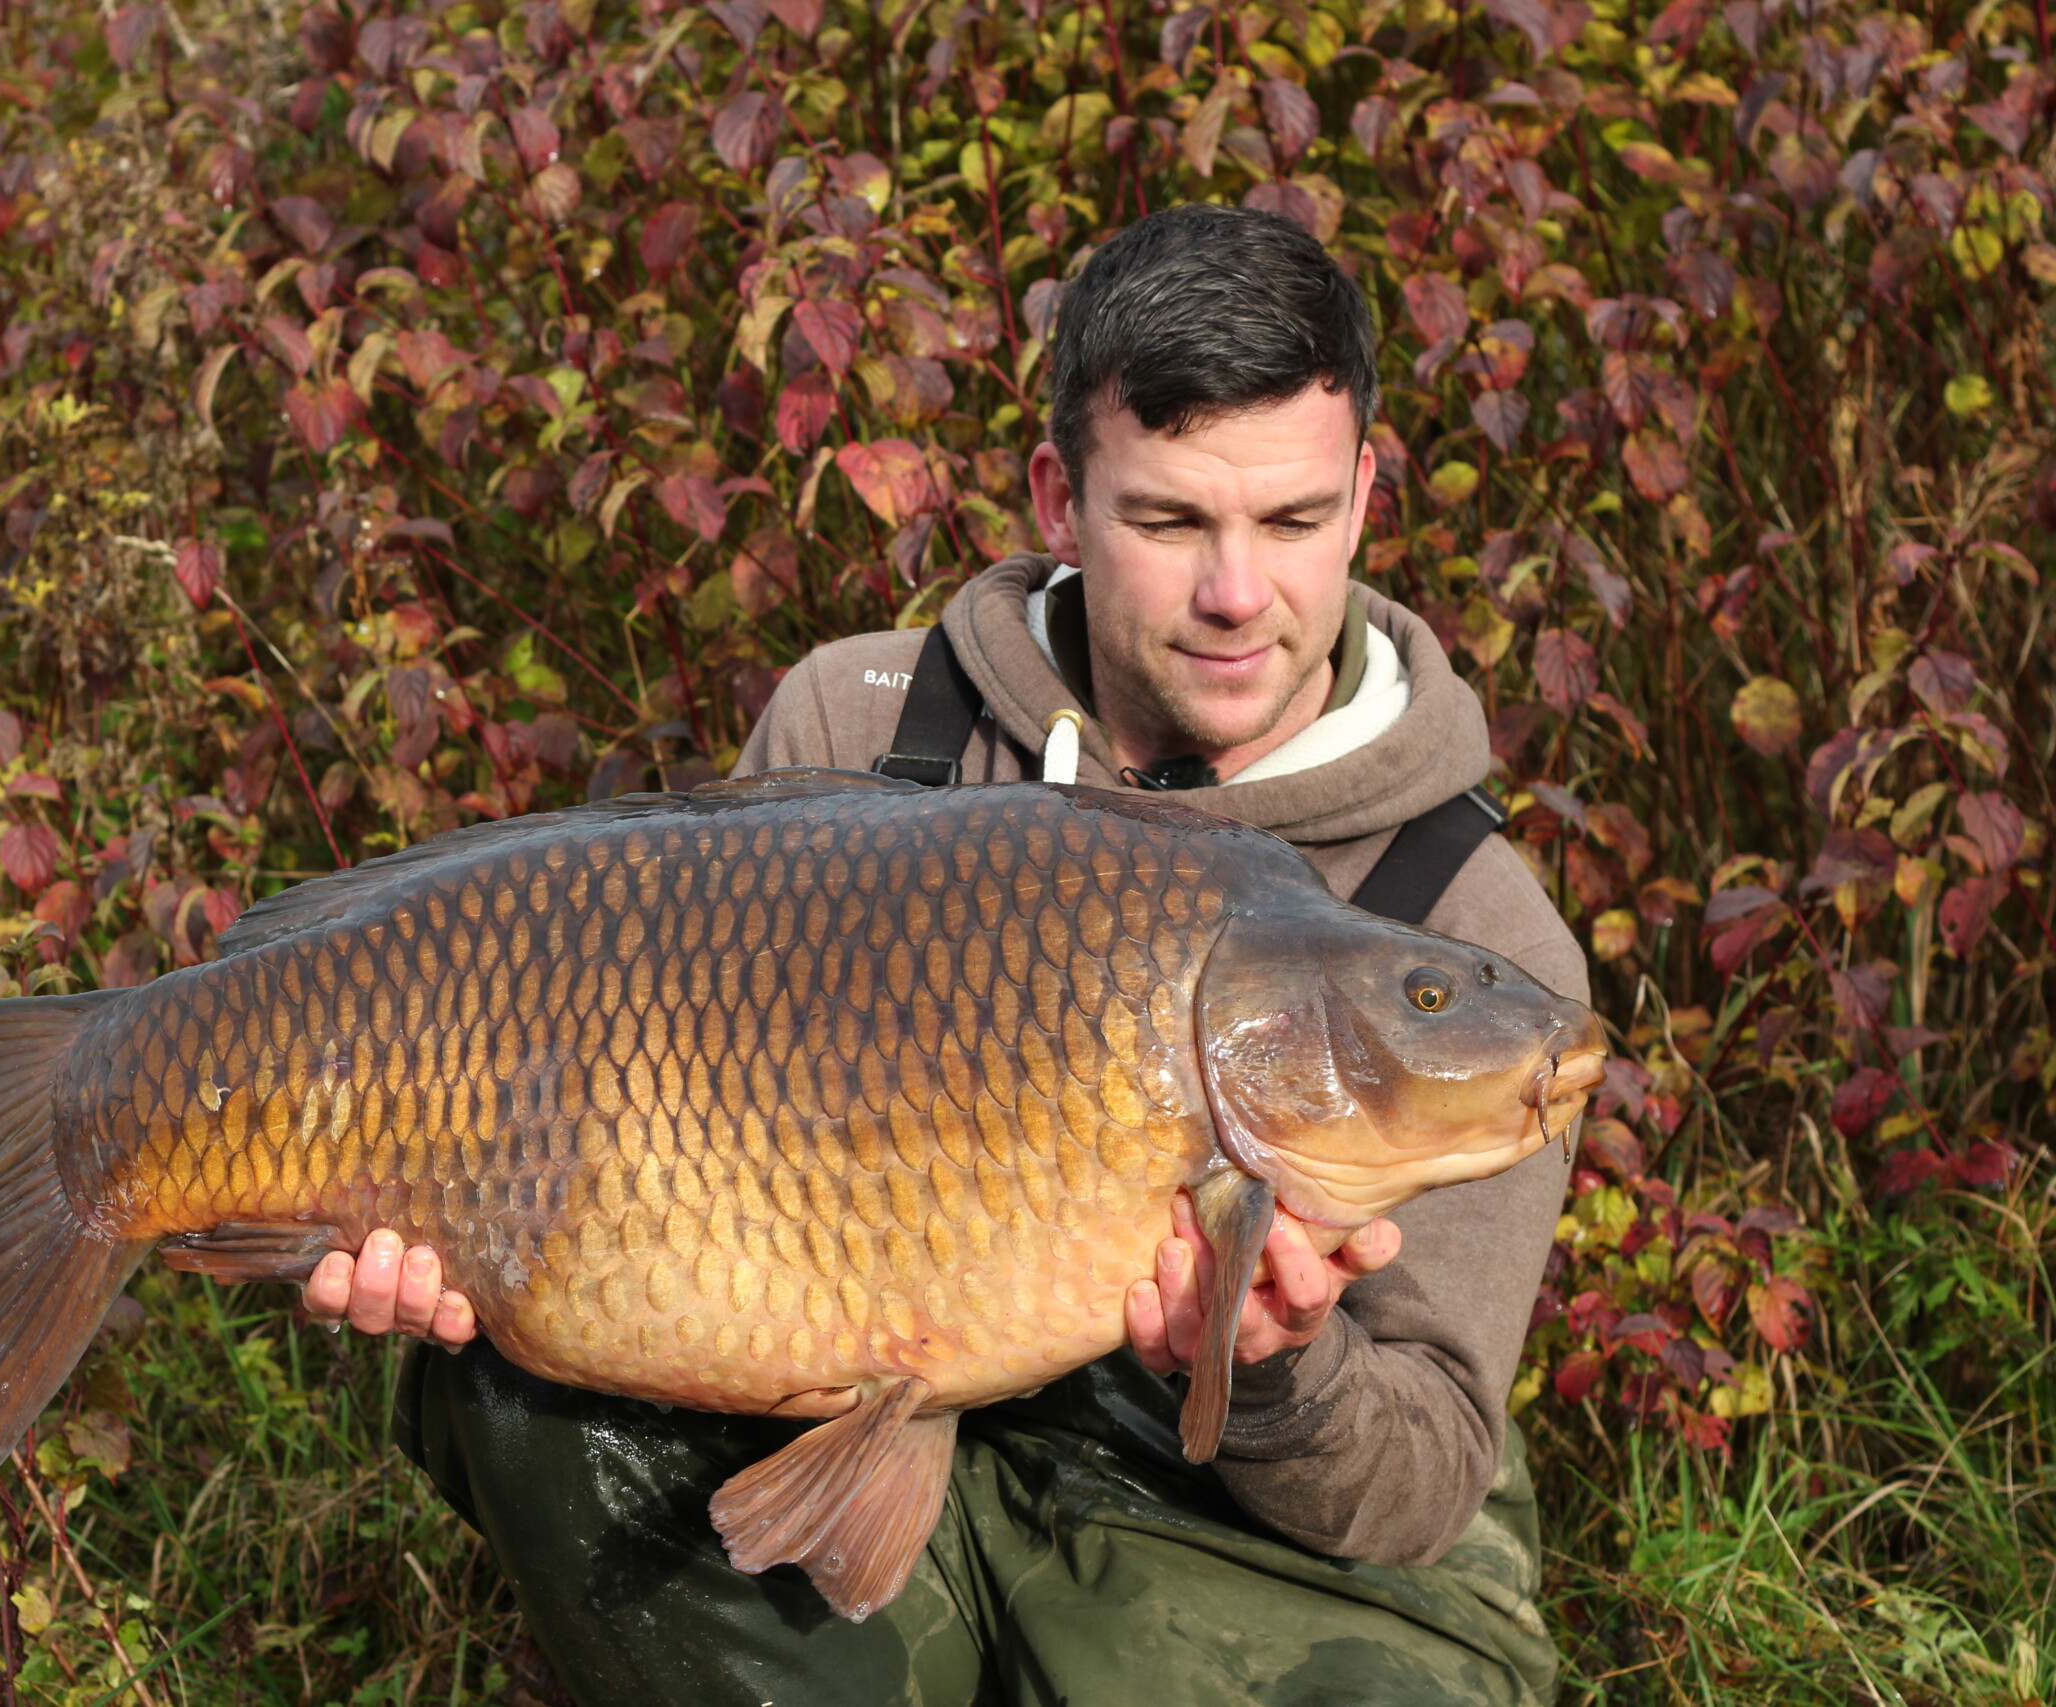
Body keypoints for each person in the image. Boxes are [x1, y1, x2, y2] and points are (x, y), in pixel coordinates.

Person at [301, 204, 1586, 1705]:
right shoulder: (864, 729)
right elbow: (641, 1114)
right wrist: (463, 1220)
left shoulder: (1473, 920)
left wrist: (1272, 1365)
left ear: (1364, 497)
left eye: (1293, 523)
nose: (1239, 594)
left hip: (1242, 1541)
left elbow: (1422, 1485)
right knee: (520, 1382)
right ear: (1061, 493)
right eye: (1169, 521)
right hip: (862, 1421)